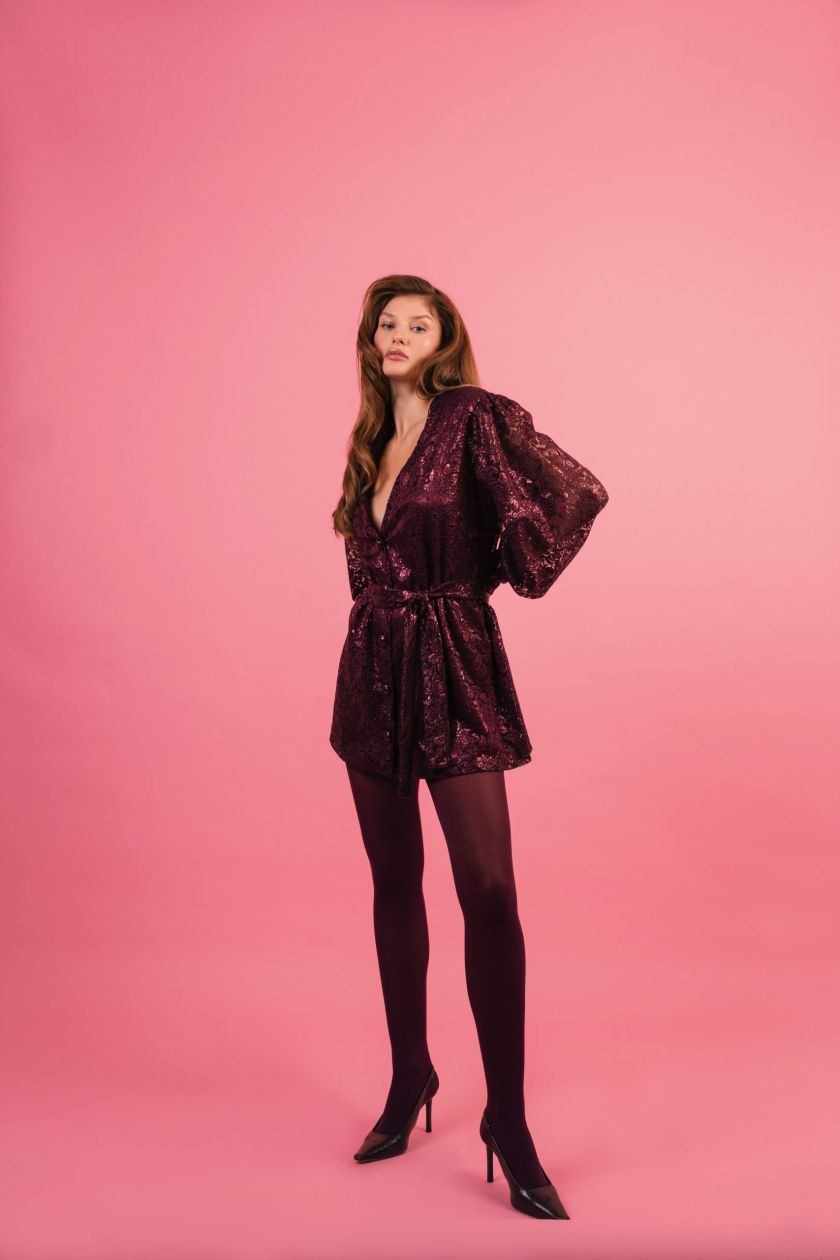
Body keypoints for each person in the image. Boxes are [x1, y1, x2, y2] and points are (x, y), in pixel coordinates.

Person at [329, 275, 609, 1219]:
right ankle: (410, 1074)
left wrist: (481, 579)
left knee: (489, 889)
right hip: (372, 667)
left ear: (445, 341)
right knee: (393, 879)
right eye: (387, 322)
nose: (399, 333)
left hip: (454, 660)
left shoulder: (472, 416)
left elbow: (571, 494)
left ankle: (509, 1119)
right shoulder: (369, 443)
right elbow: (367, 567)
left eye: (420, 322)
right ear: (370, 342)